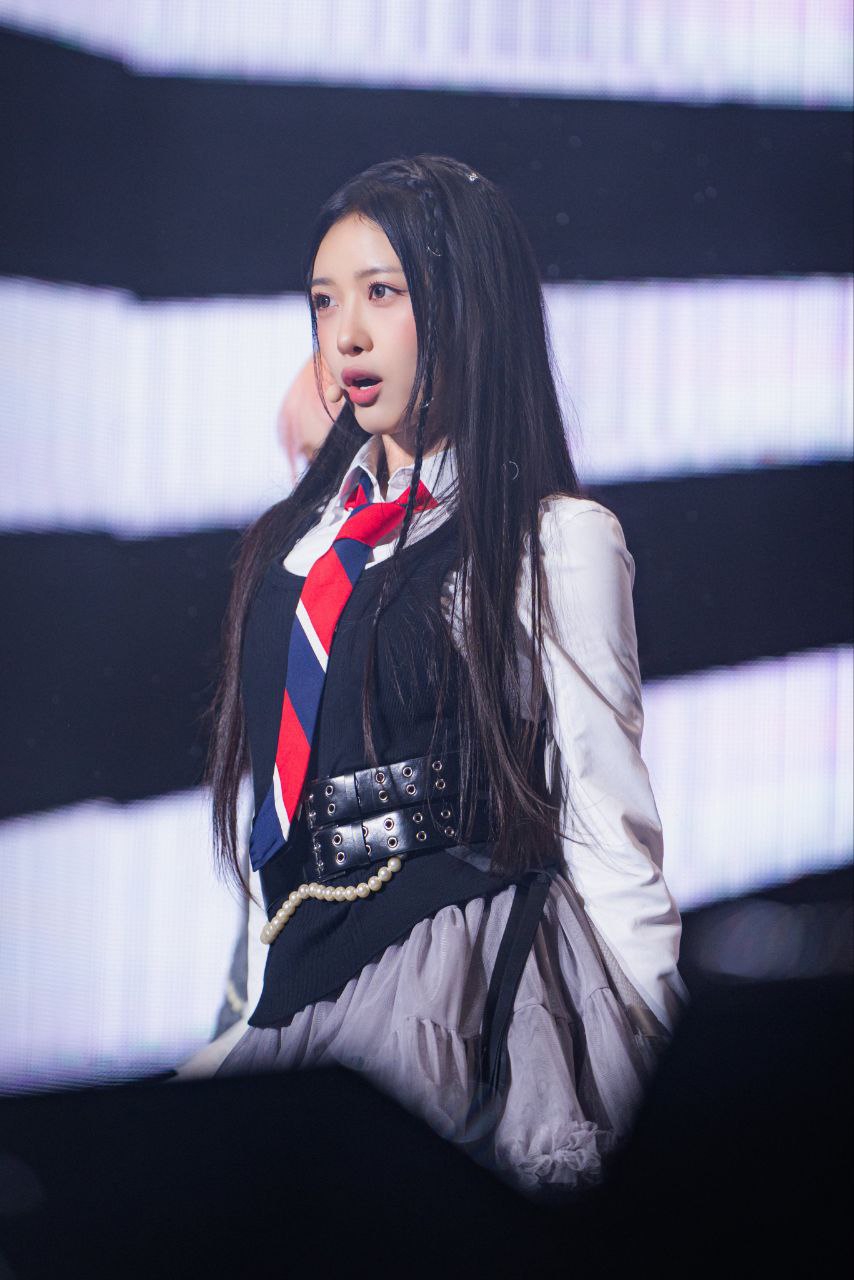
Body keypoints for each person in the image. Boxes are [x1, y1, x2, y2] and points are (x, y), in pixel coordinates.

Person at [181, 154, 690, 1200]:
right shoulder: (302, 546)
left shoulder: (548, 542)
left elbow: (610, 826)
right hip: (300, 986)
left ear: (465, 307)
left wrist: (671, 1093)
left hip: (453, 991)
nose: (345, 335)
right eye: (324, 302)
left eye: (381, 294)